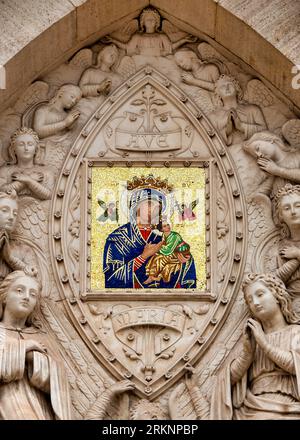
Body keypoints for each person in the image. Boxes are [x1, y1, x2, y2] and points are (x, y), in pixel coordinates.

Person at [210, 273, 300, 419]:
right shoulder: (251, 339)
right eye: (249, 300)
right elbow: (229, 378)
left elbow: (296, 365)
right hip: (251, 408)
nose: (255, 303)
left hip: (286, 407)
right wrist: (247, 355)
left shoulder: (295, 332)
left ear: (277, 295)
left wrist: (265, 344)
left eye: (260, 294)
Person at [0, 271, 73, 419]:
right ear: (5, 297)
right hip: (7, 403)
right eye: (19, 290)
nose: (26, 297)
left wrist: (32, 358)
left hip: (40, 406)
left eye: (33, 294)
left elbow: (59, 381)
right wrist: (24, 348)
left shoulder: (41, 337)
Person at [103, 185, 196, 289]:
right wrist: (143, 257)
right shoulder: (118, 238)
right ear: (136, 206)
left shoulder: (164, 236)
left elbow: (187, 260)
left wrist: (184, 257)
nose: (153, 210)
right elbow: (111, 279)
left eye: (158, 207)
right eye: (149, 204)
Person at [104, 8, 195, 58]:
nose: (150, 21)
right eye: (148, 20)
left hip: (160, 62)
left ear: (157, 23)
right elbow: (127, 47)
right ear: (143, 22)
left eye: (153, 20)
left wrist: (184, 40)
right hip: (140, 61)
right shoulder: (137, 36)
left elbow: (170, 48)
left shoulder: (161, 36)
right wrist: (113, 40)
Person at [208, 75, 267, 145]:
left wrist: (241, 126)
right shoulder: (213, 117)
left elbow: (265, 132)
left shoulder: (253, 109)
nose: (227, 88)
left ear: (237, 88)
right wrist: (226, 131)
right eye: (222, 87)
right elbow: (210, 142)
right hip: (231, 153)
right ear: (218, 94)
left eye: (230, 85)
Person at [0, 127, 53, 200]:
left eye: (30, 144)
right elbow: (2, 190)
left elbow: (50, 195)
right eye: (21, 144)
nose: (26, 148)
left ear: (36, 149)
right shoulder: (5, 171)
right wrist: (28, 180)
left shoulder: (46, 172)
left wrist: (29, 181)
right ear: (13, 149)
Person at [243, 131, 300, 199]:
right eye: (256, 156)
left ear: (270, 140)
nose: (259, 155)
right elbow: (259, 194)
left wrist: (277, 170)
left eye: (258, 148)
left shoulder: (297, 156)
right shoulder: (268, 170)